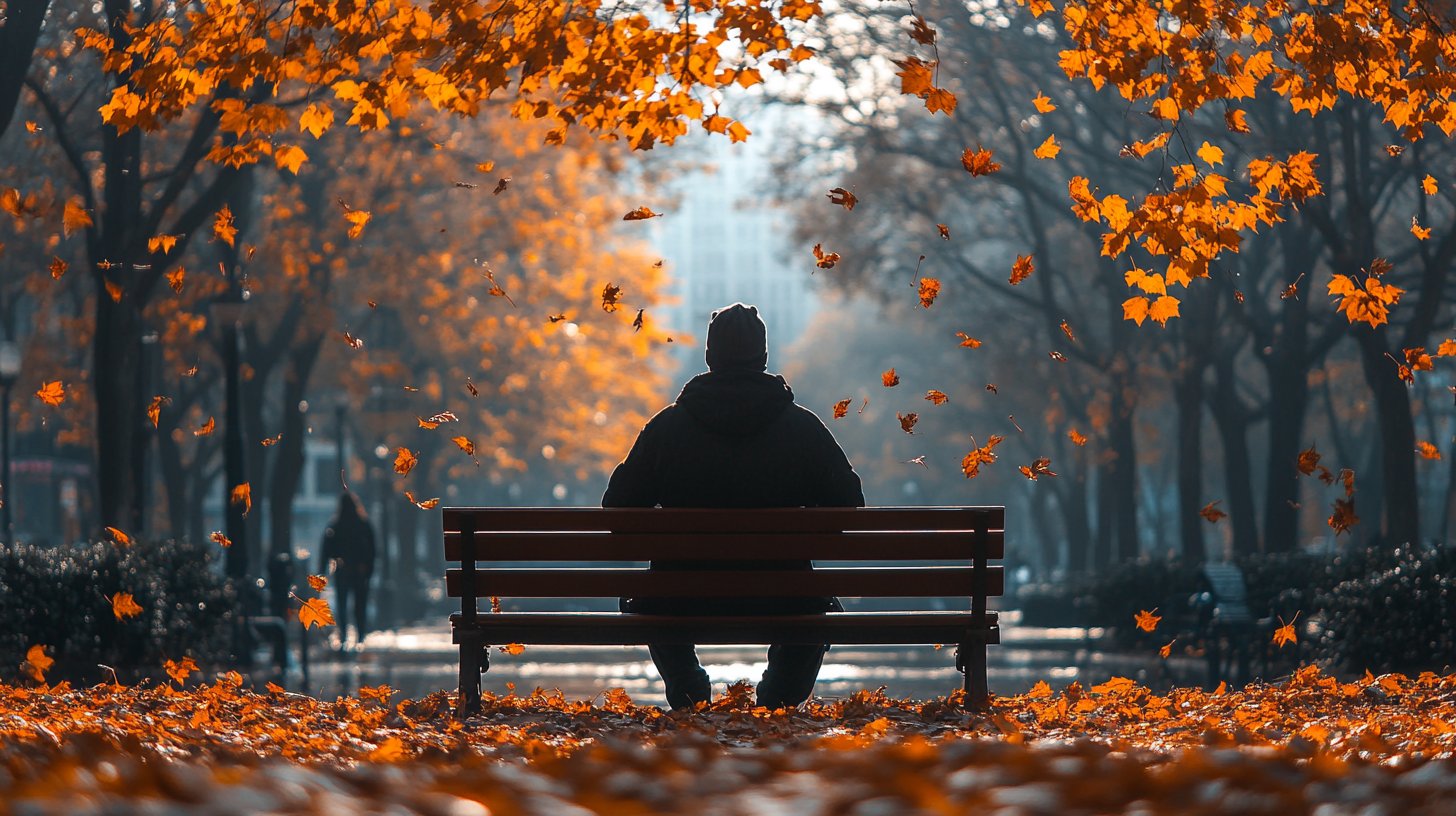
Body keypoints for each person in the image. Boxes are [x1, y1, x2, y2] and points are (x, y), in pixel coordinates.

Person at [603, 303, 865, 710]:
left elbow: (617, 510)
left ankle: (689, 690)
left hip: (678, 596)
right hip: (786, 594)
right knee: (816, 604)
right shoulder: (802, 428)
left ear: (709, 358)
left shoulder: (667, 428)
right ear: (763, 358)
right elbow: (849, 507)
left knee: (649, 597)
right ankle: (779, 698)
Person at [319, 492, 376, 650]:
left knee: (343, 604)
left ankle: (344, 635)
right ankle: (360, 636)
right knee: (360, 605)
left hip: (342, 570)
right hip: (359, 571)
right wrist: (368, 569)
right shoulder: (363, 524)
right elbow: (372, 550)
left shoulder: (336, 525)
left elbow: (326, 549)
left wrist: (322, 571)